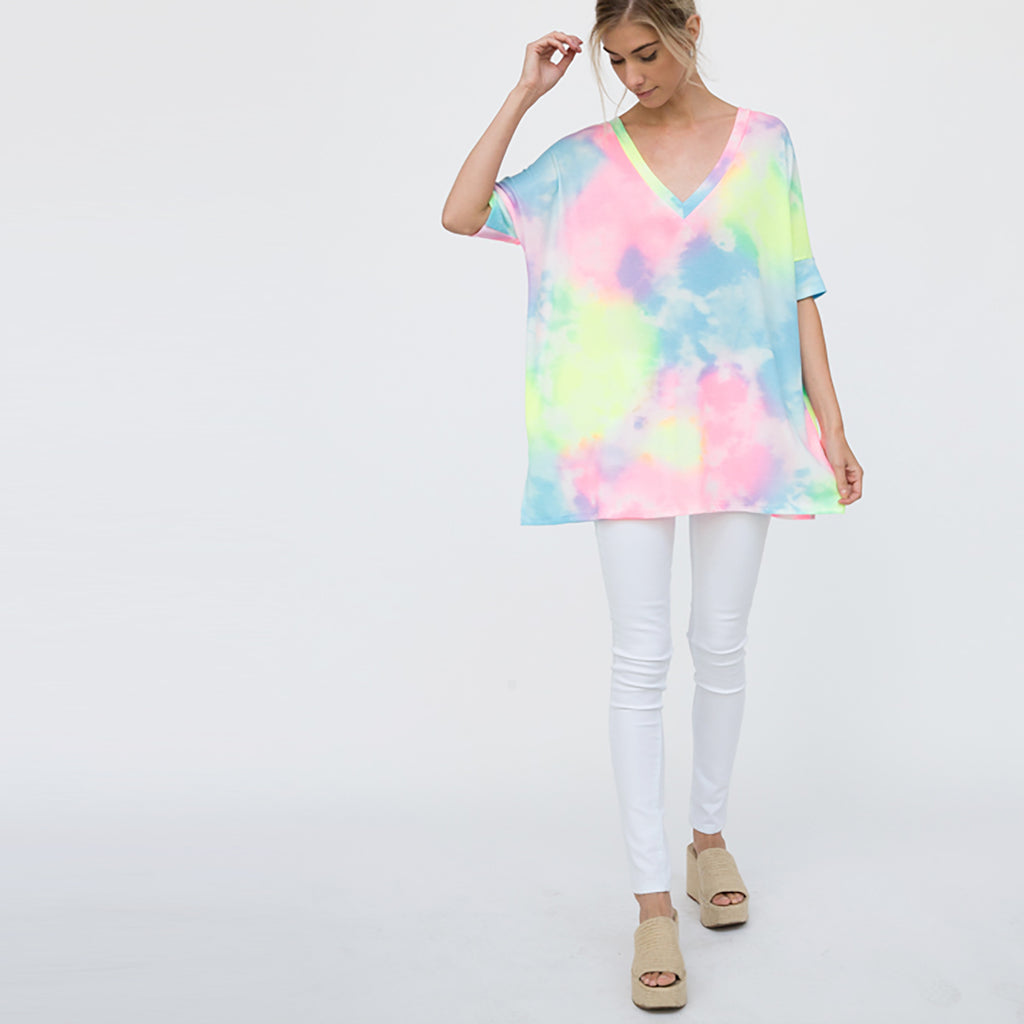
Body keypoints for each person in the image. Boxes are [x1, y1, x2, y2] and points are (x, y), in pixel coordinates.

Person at [442, 0, 863, 1011]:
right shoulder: (582, 160)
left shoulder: (765, 143)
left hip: (744, 427)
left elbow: (796, 287)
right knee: (640, 658)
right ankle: (649, 904)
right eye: (617, 60)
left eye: (648, 53)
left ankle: (707, 840)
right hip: (622, 441)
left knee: (720, 642)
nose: (634, 75)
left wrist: (833, 425)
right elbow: (462, 213)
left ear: (689, 29)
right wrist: (525, 94)